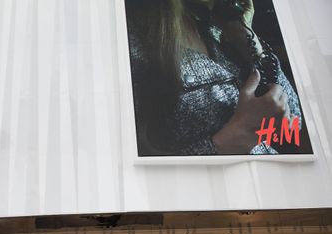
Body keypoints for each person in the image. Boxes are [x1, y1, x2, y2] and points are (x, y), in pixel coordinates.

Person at [125, 0, 306, 156]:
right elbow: (141, 172)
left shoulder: (216, 32)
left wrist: (245, 36)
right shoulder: (132, 44)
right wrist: (230, 139)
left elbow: (292, 127)